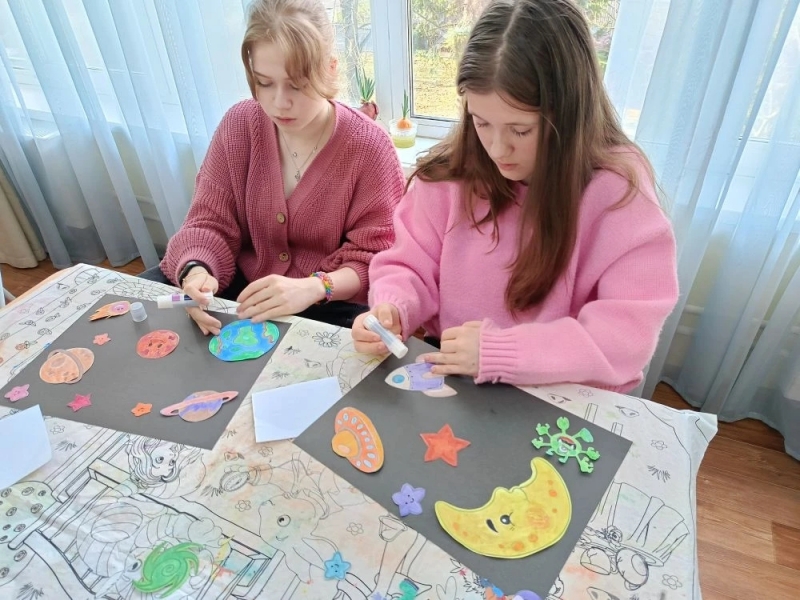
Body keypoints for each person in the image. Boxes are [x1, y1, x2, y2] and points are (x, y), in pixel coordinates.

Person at [352, 0, 679, 393]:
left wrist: (500, 353)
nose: (497, 148)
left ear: (569, 115)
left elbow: (624, 339)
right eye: (481, 122)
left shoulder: (618, 192)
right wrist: (393, 307)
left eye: (520, 130)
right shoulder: (450, 174)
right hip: (460, 380)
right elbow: (408, 263)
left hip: (561, 392)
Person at [151, 0, 405, 333]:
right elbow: (209, 221)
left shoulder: (370, 148)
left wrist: (314, 287)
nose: (279, 102)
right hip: (241, 291)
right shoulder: (240, 125)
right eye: (265, 82)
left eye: (297, 84)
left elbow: (376, 258)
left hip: (328, 303)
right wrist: (197, 273)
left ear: (330, 69)